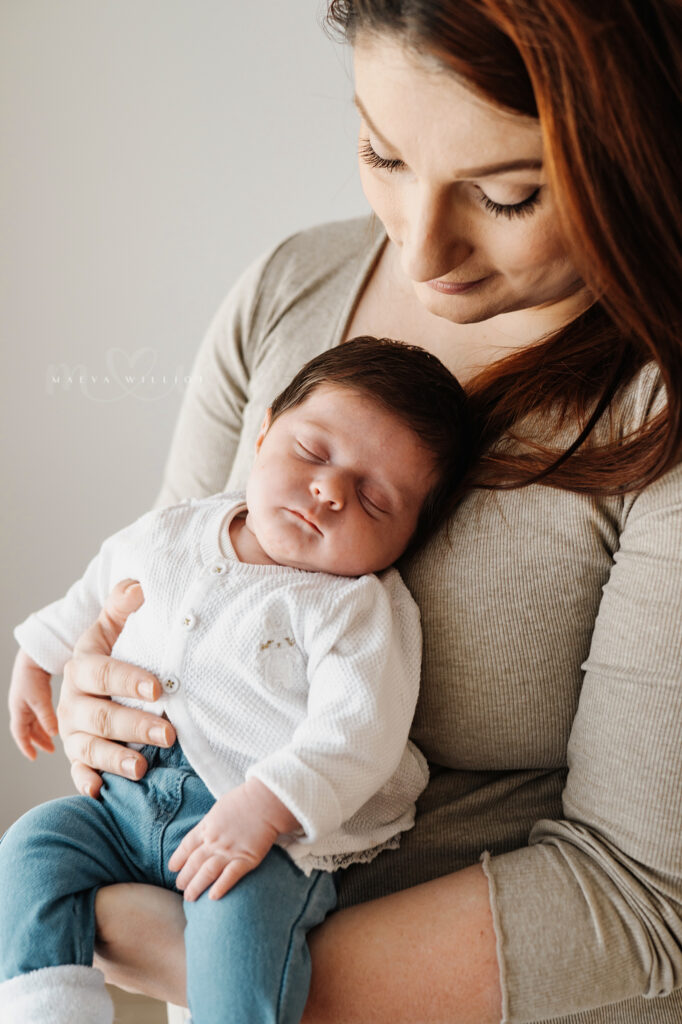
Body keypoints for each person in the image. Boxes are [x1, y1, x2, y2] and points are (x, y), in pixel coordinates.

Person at [48, 1, 682, 1022]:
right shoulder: (292, 289)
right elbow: (158, 584)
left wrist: (202, 967)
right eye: (381, 154)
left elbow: (647, 898)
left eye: (506, 195)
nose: (423, 251)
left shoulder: (656, 404)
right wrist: (98, 696)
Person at [3, 338, 469, 1024]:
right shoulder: (171, 530)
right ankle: (46, 1010)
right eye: (314, 453)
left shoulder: (355, 607)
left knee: (239, 926)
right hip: (125, 804)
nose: (330, 491)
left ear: (409, 538)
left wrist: (266, 807)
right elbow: (96, 588)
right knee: (32, 848)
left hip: (266, 836)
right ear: (264, 434)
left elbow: (358, 734)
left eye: (374, 499)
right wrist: (37, 659)